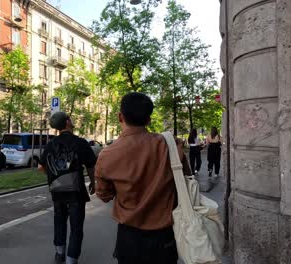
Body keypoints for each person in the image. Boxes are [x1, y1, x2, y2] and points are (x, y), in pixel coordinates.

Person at [95, 92, 191, 264]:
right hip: (165, 237)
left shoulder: (106, 155)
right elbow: (186, 179)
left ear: (120, 117)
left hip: (129, 238)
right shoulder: (170, 146)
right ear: (149, 120)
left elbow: (104, 195)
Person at [38, 111, 97, 264]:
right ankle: (71, 260)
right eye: (69, 118)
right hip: (76, 192)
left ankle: (59, 254)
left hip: (57, 190)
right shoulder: (80, 143)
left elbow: (41, 167)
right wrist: (93, 182)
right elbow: (91, 165)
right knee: (76, 227)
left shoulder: (50, 144)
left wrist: (54, 177)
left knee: (59, 221)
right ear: (67, 122)